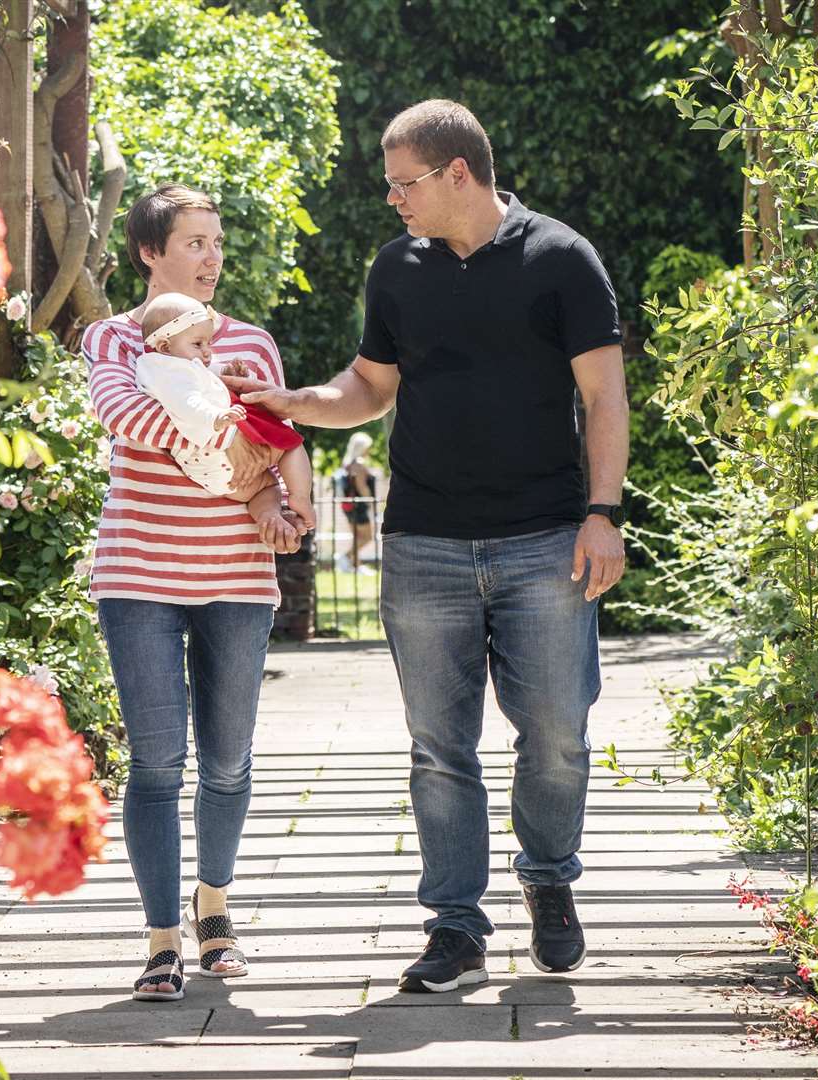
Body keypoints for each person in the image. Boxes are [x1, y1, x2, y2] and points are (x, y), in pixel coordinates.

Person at [223, 99, 630, 994]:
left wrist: (605, 512)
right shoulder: (396, 269)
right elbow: (369, 388)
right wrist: (295, 403)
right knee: (438, 746)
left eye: (403, 184)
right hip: (426, 544)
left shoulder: (562, 259)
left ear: (457, 174)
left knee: (556, 734)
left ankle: (550, 883)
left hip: (545, 541)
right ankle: (455, 927)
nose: (393, 201)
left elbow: (604, 397)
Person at [81, 183, 310, 1002]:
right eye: (194, 243)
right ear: (151, 253)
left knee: (226, 760)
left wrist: (282, 500)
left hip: (237, 577)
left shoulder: (251, 344)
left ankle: (215, 911)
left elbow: (281, 440)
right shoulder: (109, 337)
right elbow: (124, 417)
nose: (212, 258)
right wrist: (224, 431)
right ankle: (160, 942)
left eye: (216, 242)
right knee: (154, 763)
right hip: (138, 573)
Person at [134, 290, 315, 551]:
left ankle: (270, 517)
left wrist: (229, 372)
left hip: (212, 473)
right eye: (198, 344)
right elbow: (186, 403)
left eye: (208, 343)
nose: (207, 352)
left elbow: (206, 373)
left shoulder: (177, 361)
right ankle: (300, 498)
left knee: (264, 486)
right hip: (214, 446)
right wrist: (217, 420)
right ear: (164, 346)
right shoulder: (168, 371)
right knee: (289, 446)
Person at [335, 431, 377, 574]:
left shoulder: (346, 464)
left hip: (349, 506)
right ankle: (345, 558)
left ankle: (356, 565)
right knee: (367, 537)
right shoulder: (358, 464)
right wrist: (371, 501)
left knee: (357, 537)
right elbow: (362, 488)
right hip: (359, 505)